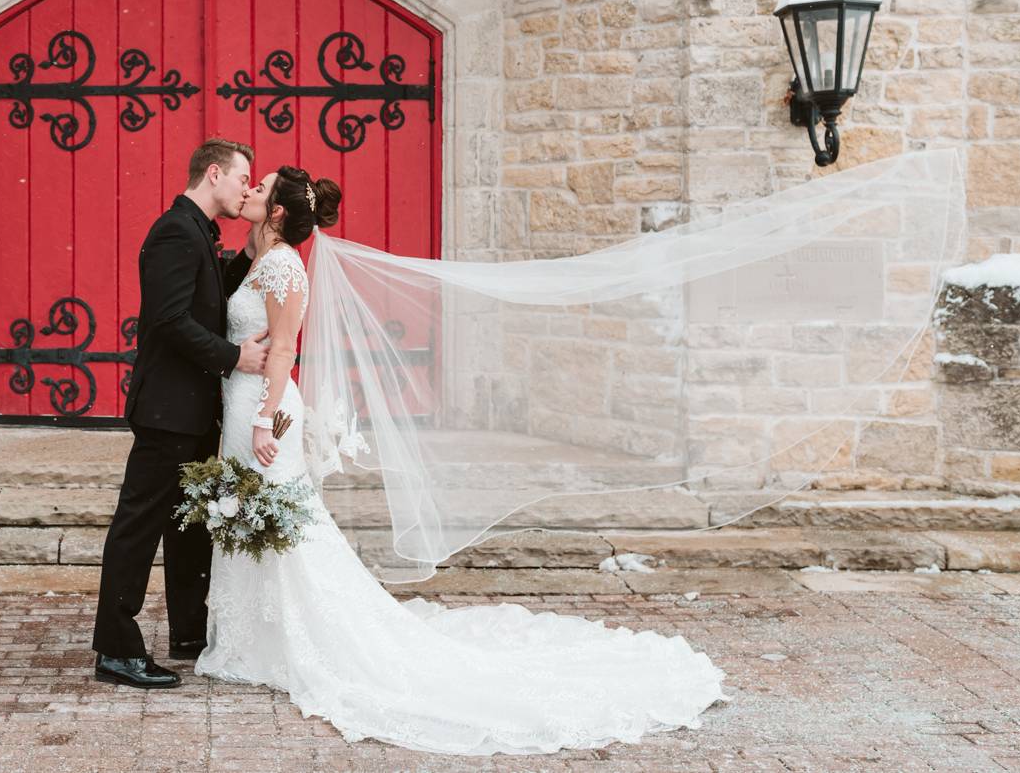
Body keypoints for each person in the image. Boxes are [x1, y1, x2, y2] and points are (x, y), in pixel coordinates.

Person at [193, 165, 731, 756]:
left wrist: (266, 419)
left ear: (275, 213)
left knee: (284, 526)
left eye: (261, 187)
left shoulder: (282, 266)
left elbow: (286, 350)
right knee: (263, 521)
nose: (250, 190)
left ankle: (291, 641)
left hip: (263, 415)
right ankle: (256, 640)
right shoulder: (259, 259)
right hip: (243, 405)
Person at [91, 138, 269, 689]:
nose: (246, 188)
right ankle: (116, 650)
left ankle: (190, 633)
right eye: (243, 178)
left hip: (193, 413)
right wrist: (236, 356)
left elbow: (208, 298)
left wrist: (251, 253)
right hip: (167, 410)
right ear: (214, 174)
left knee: (189, 528)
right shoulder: (173, 231)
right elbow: (170, 321)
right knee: (138, 526)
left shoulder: (196, 232)